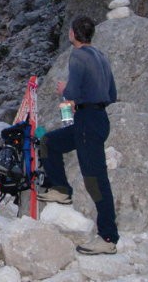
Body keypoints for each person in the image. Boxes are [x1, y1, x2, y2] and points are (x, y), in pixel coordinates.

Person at [38, 15, 120, 255]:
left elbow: (71, 91)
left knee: (95, 180)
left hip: (87, 123)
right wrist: (84, 99)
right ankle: (61, 190)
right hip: (97, 119)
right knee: (48, 142)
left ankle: (108, 236)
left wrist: (66, 90)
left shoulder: (77, 56)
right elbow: (111, 94)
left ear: (73, 33)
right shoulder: (101, 57)